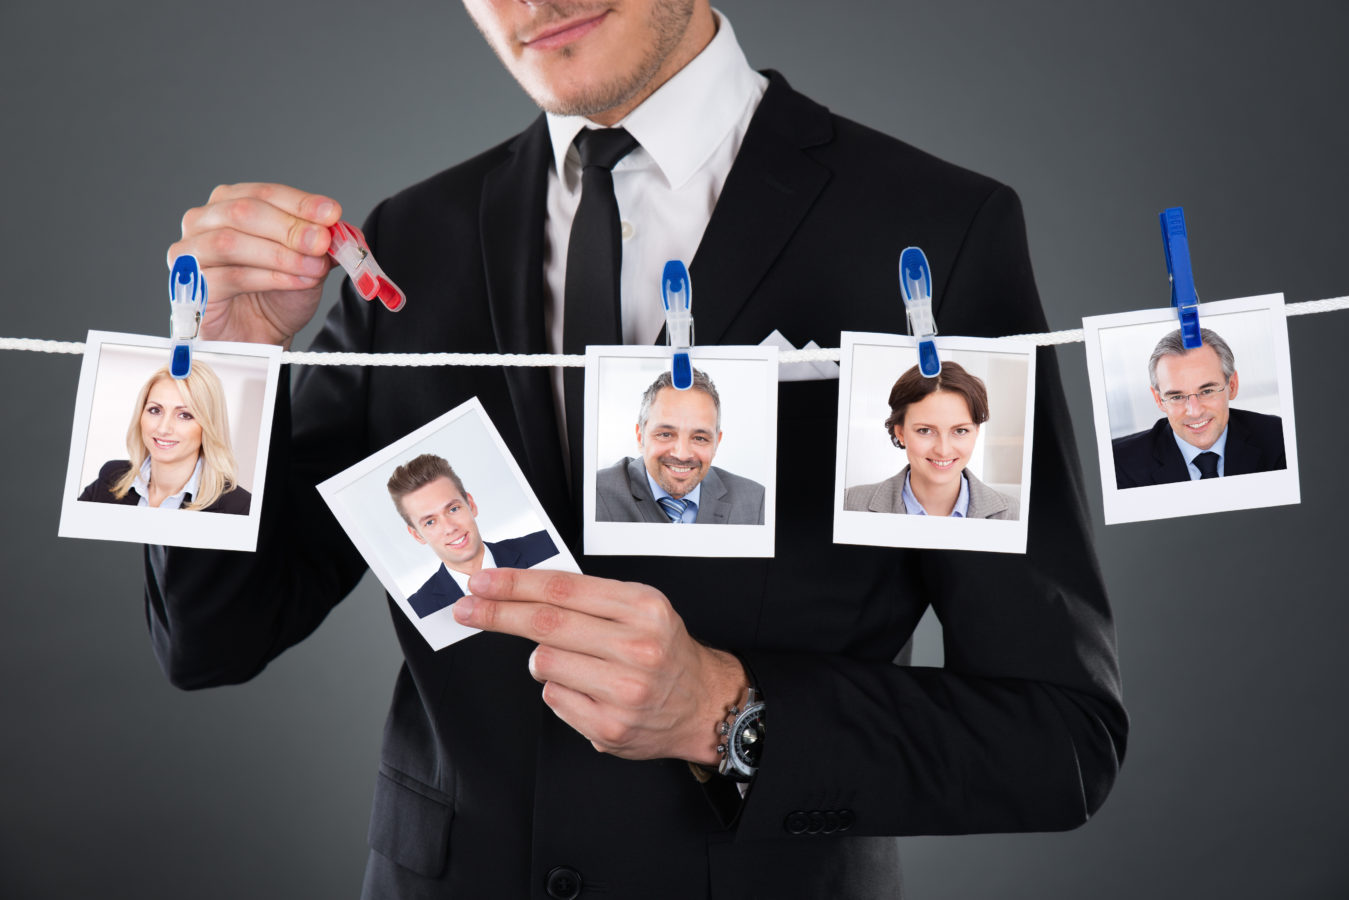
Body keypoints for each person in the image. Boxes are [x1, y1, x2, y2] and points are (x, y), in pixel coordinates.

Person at [148, 2, 1126, 897]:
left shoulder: (931, 233)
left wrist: (729, 716)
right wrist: (226, 373)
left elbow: (1057, 739)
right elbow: (208, 639)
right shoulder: (410, 240)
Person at [387, 453, 559, 618]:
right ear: (417, 535)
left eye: (453, 509)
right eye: (430, 522)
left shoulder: (548, 545)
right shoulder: (417, 610)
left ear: (471, 505)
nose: (449, 528)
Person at [1112, 327, 1286, 488]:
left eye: (1207, 391)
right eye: (1177, 396)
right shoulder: (1116, 466)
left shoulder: (1281, 439)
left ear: (1232, 386)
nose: (1195, 411)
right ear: (1159, 399)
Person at [844, 362, 1017, 519]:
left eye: (960, 430)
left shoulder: (1014, 513)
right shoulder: (849, 505)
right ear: (900, 433)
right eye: (925, 431)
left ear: (976, 432)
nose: (943, 450)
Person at [596, 367, 765, 524]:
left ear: (716, 443)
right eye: (665, 434)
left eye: (699, 438)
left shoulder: (756, 502)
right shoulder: (596, 493)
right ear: (640, 436)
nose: (682, 454)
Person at [78, 362, 251, 515]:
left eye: (184, 415)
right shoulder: (111, 477)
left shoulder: (239, 507)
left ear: (208, 425)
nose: (163, 428)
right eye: (155, 410)